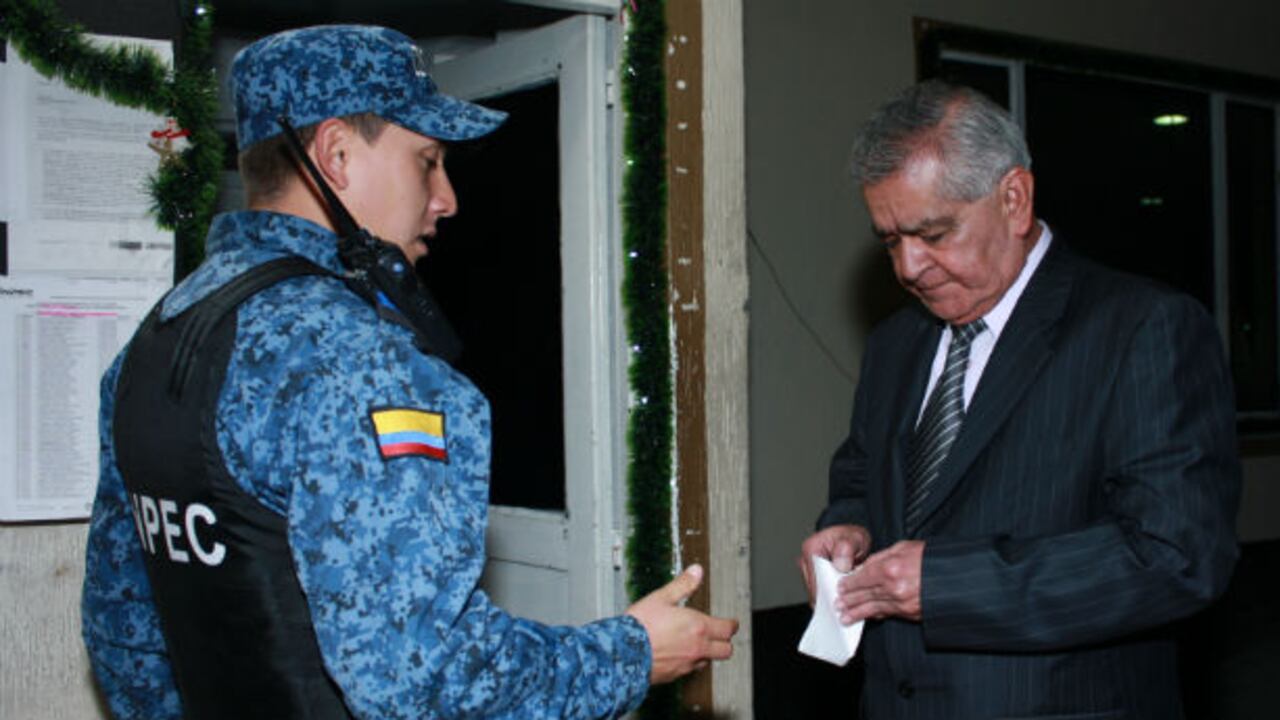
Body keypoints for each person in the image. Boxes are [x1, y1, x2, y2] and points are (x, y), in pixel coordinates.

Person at [82, 25, 737, 720]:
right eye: (427, 161)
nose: (447, 197)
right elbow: (417, 677)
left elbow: (123, 635)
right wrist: (630, 653)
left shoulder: (156, 342)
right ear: (336, 154)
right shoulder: (359, 360)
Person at [799, 80, 1240, 718]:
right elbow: (864, 474)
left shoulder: (1142, 329)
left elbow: (1177, 556)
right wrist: (848, 528)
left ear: (1014, 198)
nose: (909, 268)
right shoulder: (897, 343)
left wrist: (947, 585)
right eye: (891, 241)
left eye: (933, 233)